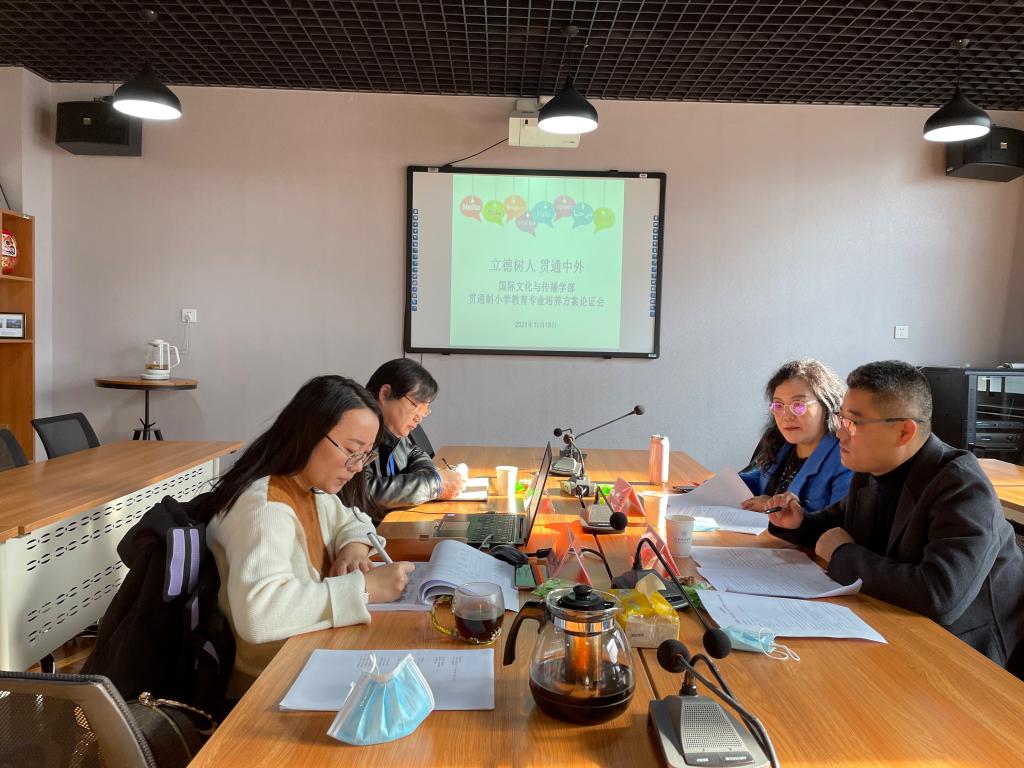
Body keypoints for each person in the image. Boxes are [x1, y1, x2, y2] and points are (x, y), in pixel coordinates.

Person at [766, 360, 1024, 670]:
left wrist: (842, 554)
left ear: (904, 431)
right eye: (840, 418)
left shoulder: (962, 486)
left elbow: (939, 595)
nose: (840, 432)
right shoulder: (871, 469)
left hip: (964, 656)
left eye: (853, 423)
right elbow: (835, 524)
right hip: (890, 624)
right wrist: (798, 523)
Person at [202, 375, 415, 694]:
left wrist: (354, 548)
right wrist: (364, 589)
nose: (359, 467)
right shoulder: (265, 507)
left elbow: (355, 521)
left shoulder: (309, 489)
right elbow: (259, 614)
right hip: (271, 686)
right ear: (309, 433)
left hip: (311, 660)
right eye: (352, 450)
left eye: (366, 455)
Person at [359, 358, 465, 523]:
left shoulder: (392, 431)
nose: (419, 417)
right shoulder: (357, 432)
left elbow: (414, 453)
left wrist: (433, 476)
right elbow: (365, 492)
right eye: (416, 405)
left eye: (424, 410)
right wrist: (435, 484)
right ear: (385, 393)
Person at [740, 359, 852, 513]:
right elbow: (756, 479)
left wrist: (772, 507)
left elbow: (840, 522)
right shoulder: (779, 442)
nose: (787, 416)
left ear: (826, 405)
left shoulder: (846, 459)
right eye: (778, 405)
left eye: (798, 405)